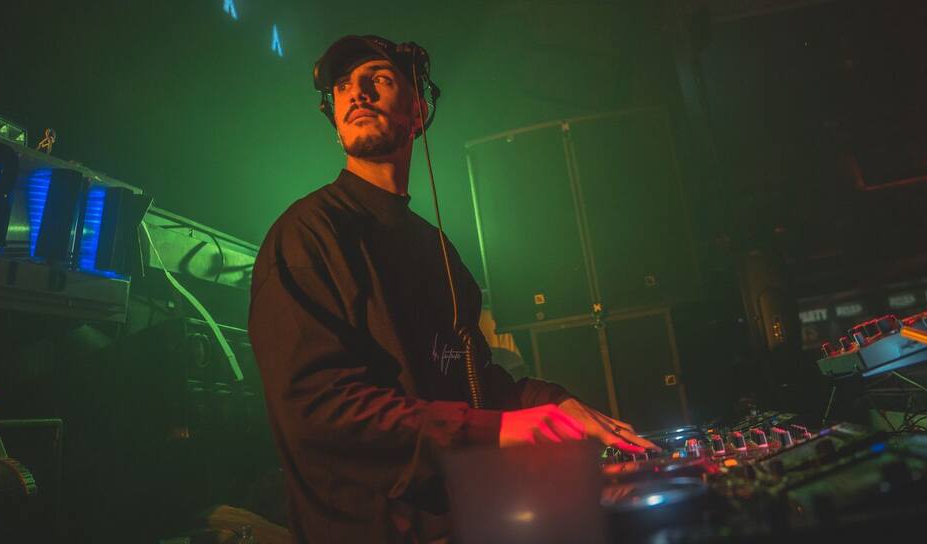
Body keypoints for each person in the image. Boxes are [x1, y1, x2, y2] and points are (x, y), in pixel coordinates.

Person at [248, 35, 658, 543]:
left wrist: (554, 404)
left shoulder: (436, 248)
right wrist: (494, 430)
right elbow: (315, 408)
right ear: (332, 115)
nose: (357, 93)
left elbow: (472, 382)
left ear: (419, 112)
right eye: (343, 86)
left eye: (379, 79)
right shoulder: (306, 235)